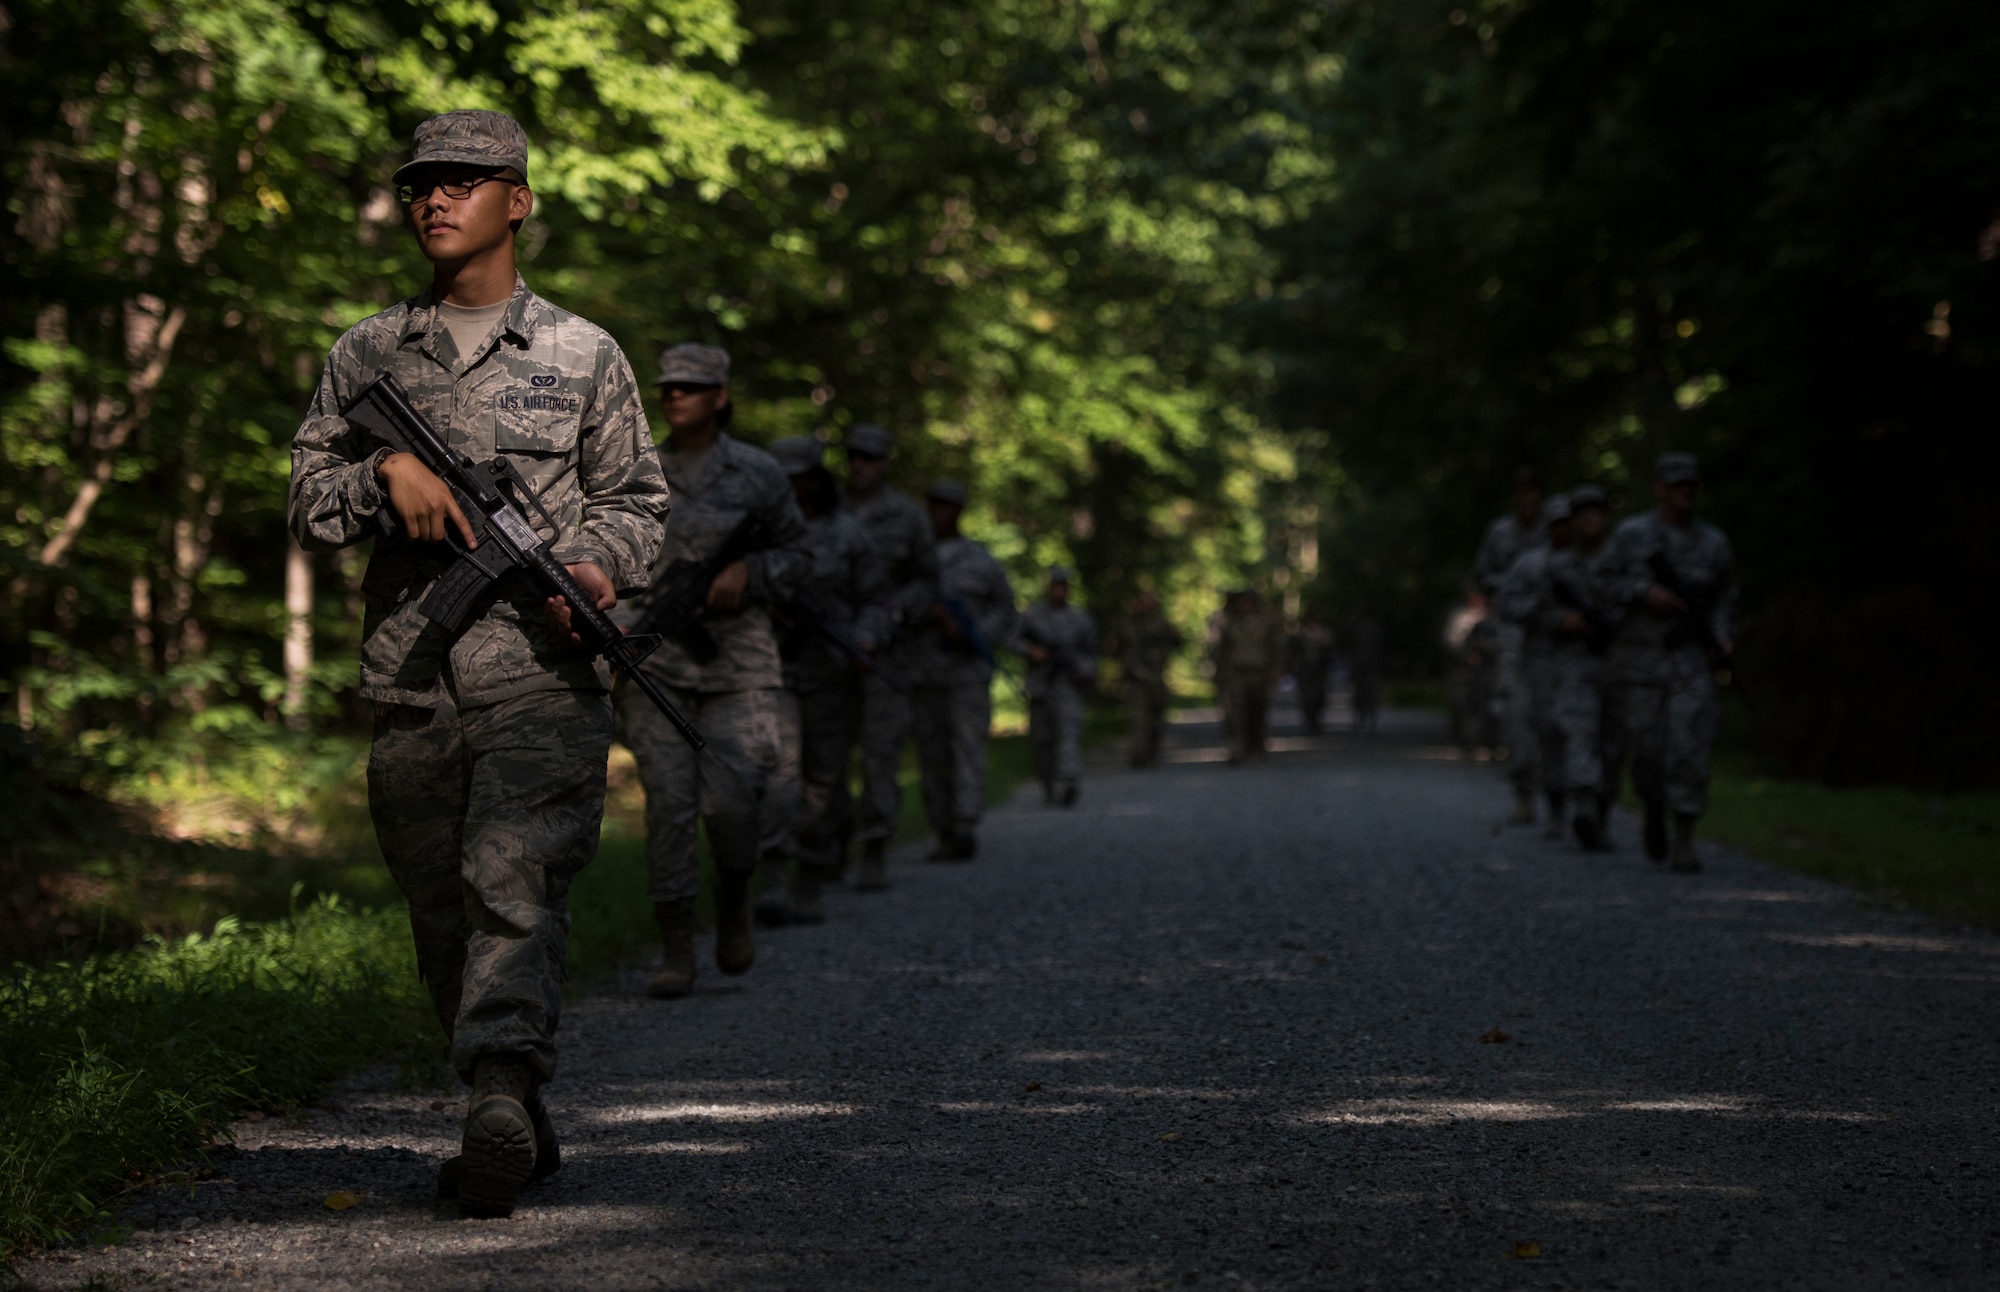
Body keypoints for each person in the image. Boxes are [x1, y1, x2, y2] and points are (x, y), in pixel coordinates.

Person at [287, 111, 671, 1218]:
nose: (435, 199)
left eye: (465, 180)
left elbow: (637, 502)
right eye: (420, 184)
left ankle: (497, 1090)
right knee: (438, 906)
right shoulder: (367, 352)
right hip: (410, 674)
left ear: (519, 200)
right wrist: (382, 479)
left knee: (514, 882)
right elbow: (310, 500)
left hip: (543, 673)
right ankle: (512, 1104)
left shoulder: (583, 351)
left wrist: (595, 568)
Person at [614, 343, 809, 997]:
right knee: (668, 807)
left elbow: (801, 554)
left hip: (738, 668)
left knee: (732, 806)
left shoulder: (758, 473)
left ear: (720, 396)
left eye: (693, 387)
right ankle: (675, 949)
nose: (677, 396)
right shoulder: (634, 469)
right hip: (655, 666)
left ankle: (732, 904)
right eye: (669, 386)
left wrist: (750, 571)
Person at [757, 437, 891, 925]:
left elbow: (877, 600)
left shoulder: (850, 535)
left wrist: (866, 640)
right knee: (778, 776)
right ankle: (773, 878)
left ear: (816, 479)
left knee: (822, 781)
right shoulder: (760, 533)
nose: (791, 485)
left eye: (798, 476)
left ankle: (810, 877)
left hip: (831, 675)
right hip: (773, 672)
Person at [1599, 452, 1736, 873]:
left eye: (1691, 482)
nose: (1685, 489)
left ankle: (1684, 835)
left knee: (1690, 747)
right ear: (1659, 487)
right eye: (1676, 483)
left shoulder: (1713, 543)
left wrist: (1724, 635)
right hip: (1640, 663)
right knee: (1646, 753)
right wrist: (1643, 592)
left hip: (1690, 660)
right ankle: (1653, 807)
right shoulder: (1631, 535)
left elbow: (1727, 596)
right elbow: (1601, 583)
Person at [840, 422, 938, 890]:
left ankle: (875, 846)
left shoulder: (909, 517)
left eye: (869, 457)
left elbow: (927, 580)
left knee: (880, 754)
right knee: (826, 757)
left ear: (884, 463)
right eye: (854, 456)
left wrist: (897, 612)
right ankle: (827, 849)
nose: (859, 464)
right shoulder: (826, 507)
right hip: (829, 652)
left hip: (887, 658)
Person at [907, 480, 1016, 859]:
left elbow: (1006, 609)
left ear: (959, 511)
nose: (938, 512)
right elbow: (890, 604)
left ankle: (965, 825)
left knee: (967, 749)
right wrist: (927, 613)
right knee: (932, 755)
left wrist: (975, 635)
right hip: (923, 673)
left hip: (968, 674)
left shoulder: (981, 561)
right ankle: (942, 828)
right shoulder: (912, 561)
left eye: (946, 506)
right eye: (933, 505)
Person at [1497, 495, 1575, 837]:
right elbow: (1507, 605)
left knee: (1571, 736)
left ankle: (1581, 807)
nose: (1563, 528)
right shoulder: (1530, 565)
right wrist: (1540, 609)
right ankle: (1529, 797)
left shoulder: (1590, 561)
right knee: (1528, 732)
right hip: (1535, 662)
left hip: (1581, 662)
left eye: (1567, 521)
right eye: (1556, 523)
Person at [1474, 468, 1548, 823]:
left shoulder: (1556, 528)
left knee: (1557, 718)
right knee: (1517, 714)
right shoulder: (1500, 533)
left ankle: (1564, 797)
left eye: (1533, 491)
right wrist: (1511, 585)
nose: (1527, 498)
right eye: (1521, 491)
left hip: (1554, 635)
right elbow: (1482, 575)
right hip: (1513, 634)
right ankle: (1525, 794)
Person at [1548, 485, 1616, 850]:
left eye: (1596, 510)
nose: (1590, 518)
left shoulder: (1624, 558)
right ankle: (1584, 806)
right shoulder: (1558, 566)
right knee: (1580, 732)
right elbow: (1533, 613)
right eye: (1582, 512)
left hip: (1621, 663)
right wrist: (1564, 620)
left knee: (1614, 744)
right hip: (1575, 662)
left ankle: (1603, 813)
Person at [1018, 566, 1099, 806]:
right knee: (1041, 741)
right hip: (1040, 686)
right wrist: (1031, 651)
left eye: (1063, 586)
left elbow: (1091, 653)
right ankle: (1048, 785)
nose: (1059, 591)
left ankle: (1069, 781)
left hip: (1068, 687)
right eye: (1055, 586)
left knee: (1068, 734)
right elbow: (1010, 637)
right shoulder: (1032, 616)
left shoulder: (1081, 619)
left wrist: (1083, 671)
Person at [1214, 589, 1282, 764]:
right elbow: (1222, 650)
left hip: (1261, 673)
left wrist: (1275, 671)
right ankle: (1238, 748)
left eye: (1249, 603)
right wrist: (1222, 671)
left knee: (1258, 711)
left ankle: (1257, 746)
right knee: (1236, 713)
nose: (1245, 607)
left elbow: (1276, 649)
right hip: (1238, 674)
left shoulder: (1267, 624)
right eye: (1242, 603)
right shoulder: (1230, 625)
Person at [1120, 590, 1182, 768]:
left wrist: (1175, 635)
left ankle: (1152, 752)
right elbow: (1121, 649)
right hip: (1136, 678)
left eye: (1150, 602)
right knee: (1138, 718)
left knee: (1156, 717)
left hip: (1157, 676)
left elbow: (1176, 644)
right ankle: (1138, 753)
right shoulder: (1130, 625)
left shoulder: (1162, 624)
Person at [1288, 610, 1335, 734]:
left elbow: (1329, 651)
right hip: (1305, 669)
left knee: (1319, 696)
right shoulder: (1300, 633)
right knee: (1306, 696)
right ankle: (1310, 720)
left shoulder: (1324, 632)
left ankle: (1316, 719)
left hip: (1319, 669)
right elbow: (1293, 652)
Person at [1345, 608, 1385, 735]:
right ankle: (1363, 719)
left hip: (1371, 665)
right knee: (1360, 694)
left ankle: (1369, 720)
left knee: (1370, 694)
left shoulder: (1375, 628)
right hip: (1359, 665)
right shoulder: (1355, 628)